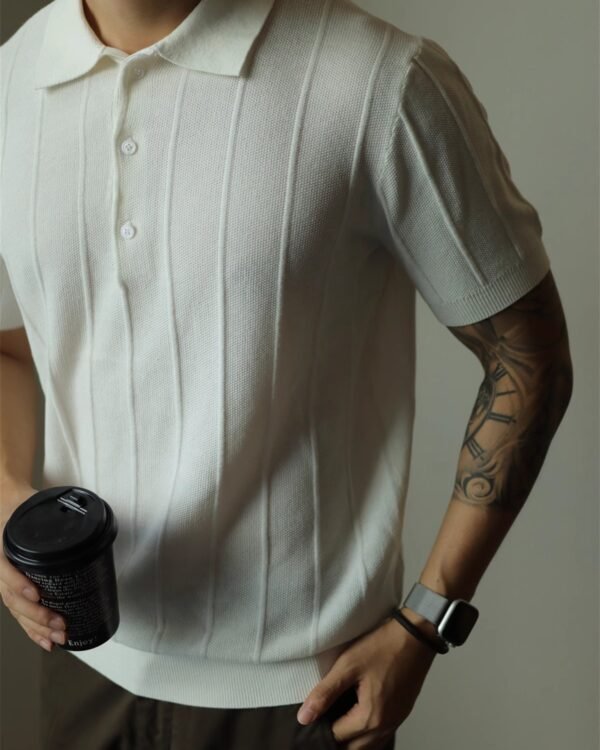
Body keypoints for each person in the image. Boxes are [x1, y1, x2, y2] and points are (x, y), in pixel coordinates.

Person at [0, 0, 573, 747]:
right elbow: (14, 347)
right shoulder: (12, 77)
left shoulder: (378, 80)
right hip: (81, 663)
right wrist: (6, 504)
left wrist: (427, 619)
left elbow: (527, 353)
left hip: (302, 698)